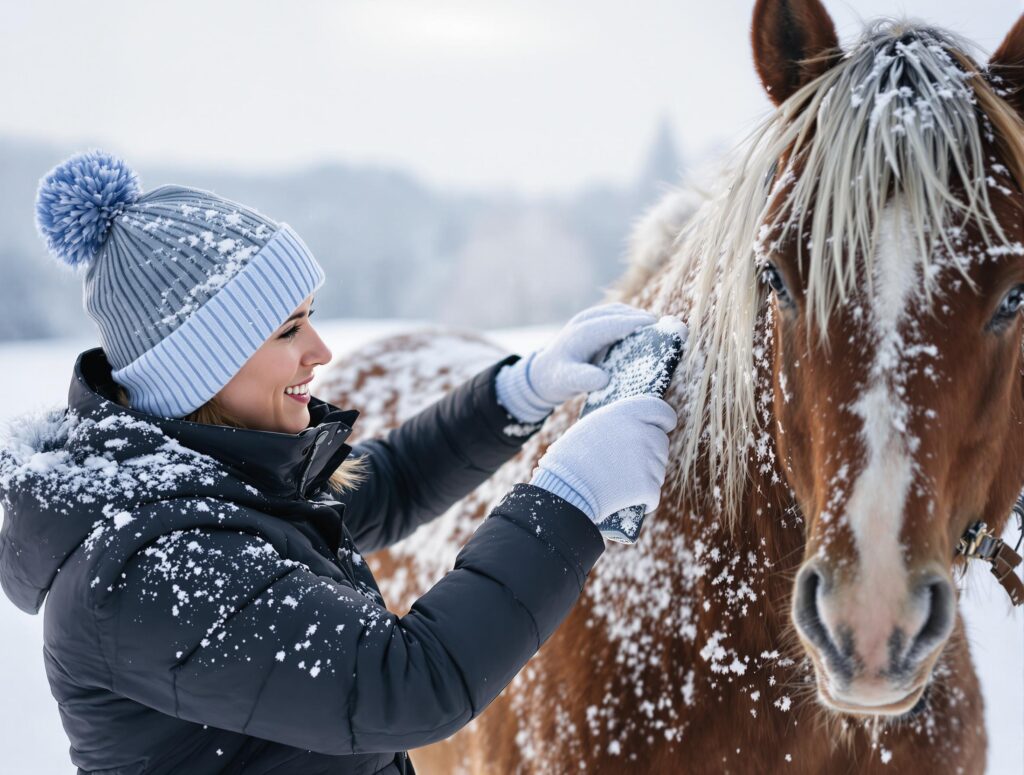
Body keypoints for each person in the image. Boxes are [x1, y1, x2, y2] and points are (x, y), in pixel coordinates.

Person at [0, 150, 679, 774]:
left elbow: (385, 486)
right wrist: (570, 498)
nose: (320, 350)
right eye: (287, 330)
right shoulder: (143, 570)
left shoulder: (209, 482)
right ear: (199, 369)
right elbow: (406, 686)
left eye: (310, 317)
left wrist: (519, 390)